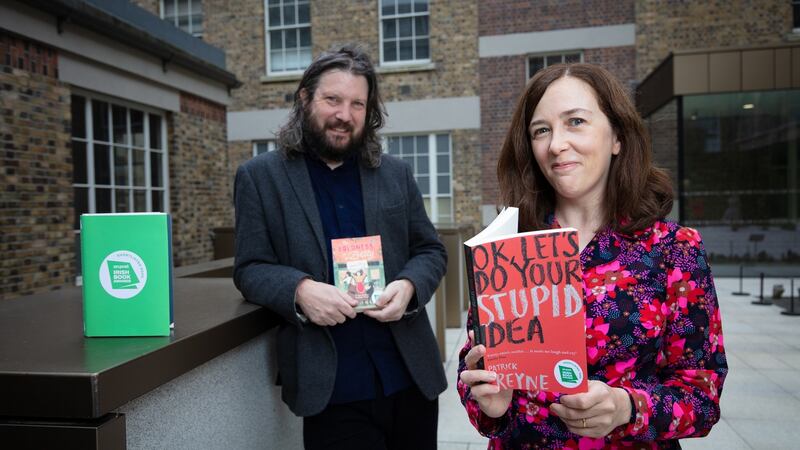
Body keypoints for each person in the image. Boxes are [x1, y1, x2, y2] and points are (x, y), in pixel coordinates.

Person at [458, 63, 727, 449]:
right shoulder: (504, 248)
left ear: (617, 136)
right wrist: (491, 404)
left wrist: (627, 408)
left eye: (576, 122)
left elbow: (703, 395)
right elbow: (472, 366)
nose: (555, 145)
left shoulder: (674, 249)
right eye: (541, 130)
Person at [233, 45, 447, 450]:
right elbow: (249, 268)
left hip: (410, 377)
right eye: (332, 99)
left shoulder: (396, 174)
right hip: (330, 388)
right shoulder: (260, 178)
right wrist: (299, 290)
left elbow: (431, 251)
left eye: (357, 104)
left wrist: (409, 287)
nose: (344, 115)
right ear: (304, 98)